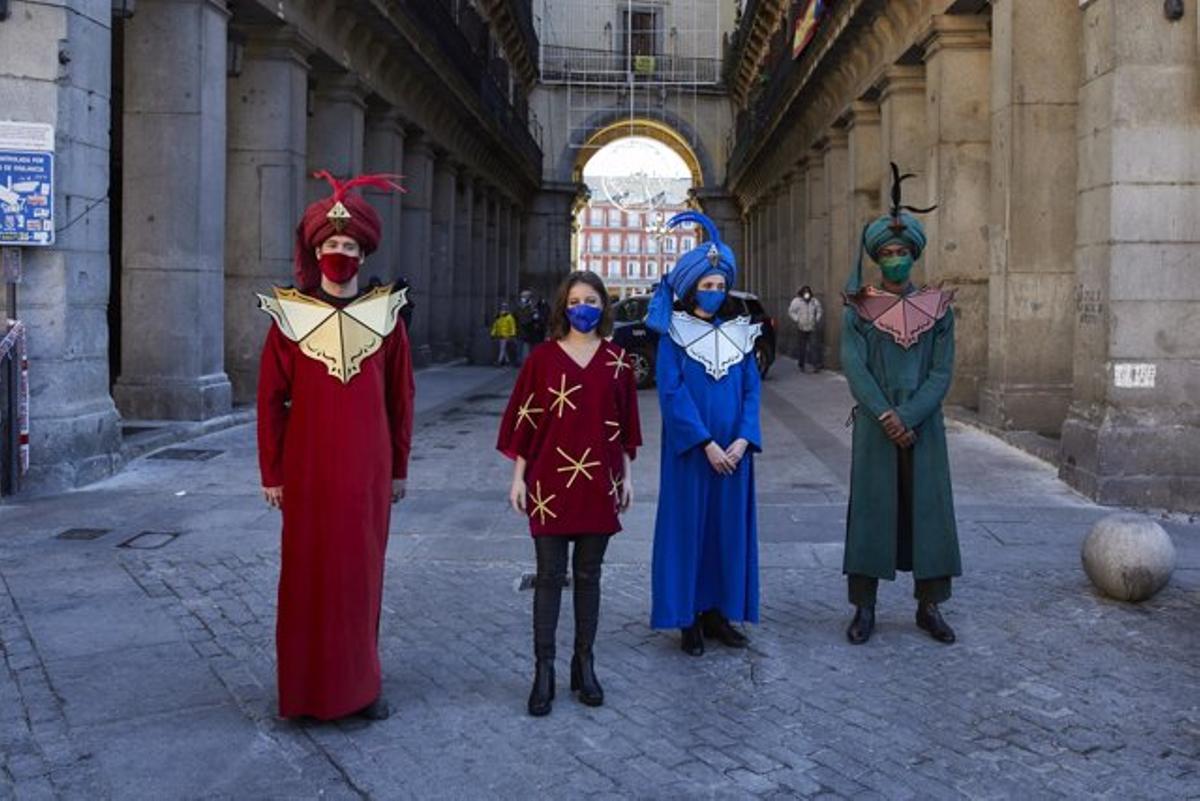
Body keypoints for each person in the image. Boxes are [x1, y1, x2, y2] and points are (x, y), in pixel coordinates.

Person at [256, 171, 413, 721]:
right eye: (330, 245)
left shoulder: (386, 319)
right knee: (306, 574)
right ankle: (304, 692)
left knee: (360, 576)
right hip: (307, 468)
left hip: (368, 470)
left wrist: (399, 468)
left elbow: (401, 398)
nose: (339, 253)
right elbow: (270, 400)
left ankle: (360, 687)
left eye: (348, 245)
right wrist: (271, 472)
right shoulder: (288, 319)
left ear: (363, 252)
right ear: (316, 249)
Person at [497, 270, 641, 717]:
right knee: (549, 577)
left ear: (604, 307)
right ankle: (544, 670)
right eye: (577, 300)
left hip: (601, 481)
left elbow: (627, 427)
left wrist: (629, 478)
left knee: (590, 577)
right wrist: (518, 477)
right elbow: (526, 421)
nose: (584, 307)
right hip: (548, 484)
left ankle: (585, 663)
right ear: (564, 306)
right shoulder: (541, 359)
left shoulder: (618, 360)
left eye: (593, 300)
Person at [839, 165, 960, 646]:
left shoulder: (939, 309)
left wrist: (909, 416)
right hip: (875, 424)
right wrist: (885, 414)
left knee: (928, 513)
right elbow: (854, 366)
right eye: (886, 253)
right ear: (876, 258)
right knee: (871, 512)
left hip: (924, 425)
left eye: (901, 251)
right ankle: (863, 607)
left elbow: (942, 371)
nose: (894, 259)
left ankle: (929, 605)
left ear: (914, 254)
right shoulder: (859, 309)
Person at [645, 212, 763, 656]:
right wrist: (706, 443)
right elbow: (671, 393)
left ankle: (720, 612)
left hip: (735, 452)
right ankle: (688, 616)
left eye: (719, 286)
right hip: (693, 452)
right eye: (706, 286)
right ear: (692, 287)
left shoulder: (741, 333)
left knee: (726, 532)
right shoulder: (672, 334)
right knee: (689, 530)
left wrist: (743, 438)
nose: (713, 293)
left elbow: (752, 389)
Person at [787, 285, 823, 372]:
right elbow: (791, 311)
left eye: (808, 292)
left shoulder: (814, 301)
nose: (807, 294)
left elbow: (819, 310)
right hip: (801, 327)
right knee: (802, 347)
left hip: (812, 326)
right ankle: (801, 364)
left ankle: (815, 365)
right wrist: (797, 319)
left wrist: (817, 319)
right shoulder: (797, 301)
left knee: (814, 346)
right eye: (805, 292)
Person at [515, 289, 548, 365]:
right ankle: (519, 361)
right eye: (523, 296)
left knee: (530, 347)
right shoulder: (519, 306)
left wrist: (535, 316)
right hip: (521, 329)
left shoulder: (532, 307)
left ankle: (530, 361)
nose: (523, 298)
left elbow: (538, 317)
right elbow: (520, 317)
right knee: (520, 346)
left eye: (525, 296)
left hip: (530, 331)